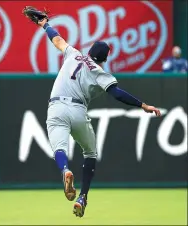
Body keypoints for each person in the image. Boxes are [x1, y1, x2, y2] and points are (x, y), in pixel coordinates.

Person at [37, 18, 161, 218]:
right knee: (90, 153)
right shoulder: (99, 72)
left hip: (57, 106)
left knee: (59, 148)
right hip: (78, 110)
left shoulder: (74, 54)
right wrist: (143, 105)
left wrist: (45, 24)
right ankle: (82, 197)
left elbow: (57, 40)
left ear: (90, 52)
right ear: (103, 59)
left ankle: (65, 170)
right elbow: (118, 94)